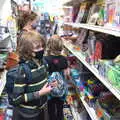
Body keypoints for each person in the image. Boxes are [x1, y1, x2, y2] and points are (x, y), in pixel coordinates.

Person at [8, 31, 56, 120]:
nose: (42, 49)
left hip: (41, 108)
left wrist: (51, 82)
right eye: (37, 47)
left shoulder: (43, 62)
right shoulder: (23, 70)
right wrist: (40, 93)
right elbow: (16, 99)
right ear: (27, 51)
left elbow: (43, 79)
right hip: (28, 113)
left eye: (42, 46)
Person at [44, 35, 68, 120]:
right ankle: (59, 117)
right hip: (61, 88)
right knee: (60, 107)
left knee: (51, 107)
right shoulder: (64, 59)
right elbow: (66, 74)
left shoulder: (45, 59)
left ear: (49, 45)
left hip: (50, 88)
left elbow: (44, 73)